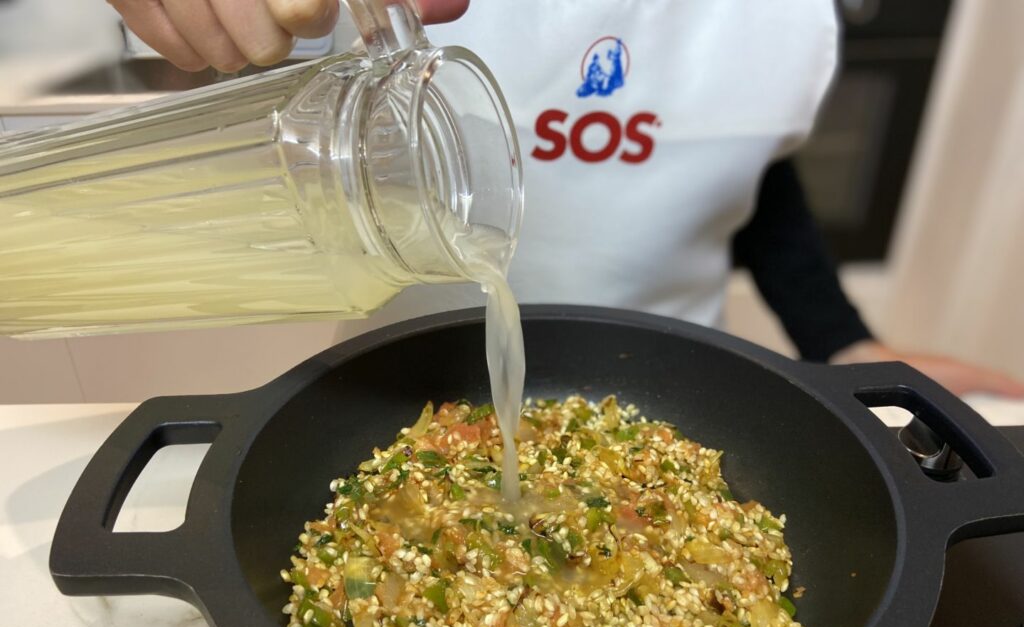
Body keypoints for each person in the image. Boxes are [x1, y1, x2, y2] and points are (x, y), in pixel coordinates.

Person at [107, 0, 1024, 397]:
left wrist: (839, 338)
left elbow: (742, 163)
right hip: (401, 390)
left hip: (680, 389)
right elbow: (201, 72)